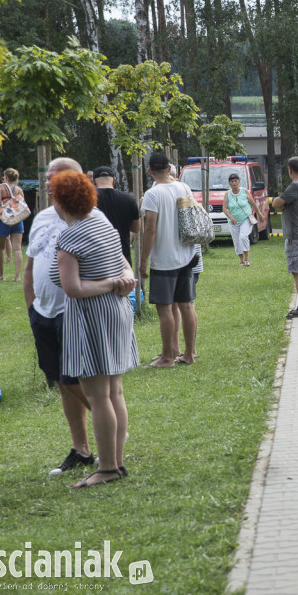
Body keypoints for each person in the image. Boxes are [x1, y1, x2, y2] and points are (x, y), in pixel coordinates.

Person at [48, 170, 139, 488]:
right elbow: (123, 261)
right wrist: (123, 278)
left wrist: (114, 281)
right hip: (116, 311)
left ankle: (109, 468)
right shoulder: (100, 219)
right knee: (114, 392)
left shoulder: (70, 237)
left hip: (92, 316)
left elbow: (72, 288)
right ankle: (115, 460)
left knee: (98, 396)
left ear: (61, 202)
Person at [25, 157, 106, 476]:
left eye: (57, 175)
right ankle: (81, 449)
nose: (49, 181)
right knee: (61, 382)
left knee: (78, 381)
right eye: (47, 176)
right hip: (43, 312)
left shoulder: (91, 215)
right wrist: (31, 306)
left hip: (75, 311)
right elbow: (31, 263)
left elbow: (112, 258)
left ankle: (110, 433)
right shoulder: (43, 216)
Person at [138, 152, 198, 368]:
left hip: (164, 258)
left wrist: (144, 259)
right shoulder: (183, 187)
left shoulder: (153, 194)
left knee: (164, 308)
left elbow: (151, 228)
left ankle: (166, 358)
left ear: (150, 171)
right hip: (186, 254)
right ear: (170, 167)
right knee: (186, 305)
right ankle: (187, 353)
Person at [272, 157, 298, 318]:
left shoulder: (295, 185)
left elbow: (276, 203)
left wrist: (282, 203)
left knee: (297, 271)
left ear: (290, 169)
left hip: (296, 234)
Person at [93, 166, 140, 269]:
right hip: (122, 257)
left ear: (94, 182)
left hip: (96, 258)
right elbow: (136, 228)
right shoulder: (128, 199)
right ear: (114, 180)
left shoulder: (88, 199)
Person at [0, 168, 27, 282]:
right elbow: (22, 205)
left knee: (0, 248)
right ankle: (17, 276)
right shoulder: (19, 189)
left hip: (3, 219)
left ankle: (1, 274)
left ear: (6, 177)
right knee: (17, 249)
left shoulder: (1, 187)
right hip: (17, 219)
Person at [222, 172, 262, 267]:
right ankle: (241, 260)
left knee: (243, 237)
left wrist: (259, 214)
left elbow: (253, 204)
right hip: (233, 221)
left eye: (236, 181)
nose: (234, 183)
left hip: (245, 219)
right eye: (232, 181)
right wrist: (230, 217)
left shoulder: (245, 191)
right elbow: (224, 208)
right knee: (236, 241)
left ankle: (247, 258)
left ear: (239, 182)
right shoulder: (227, 194)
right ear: (230, 183)